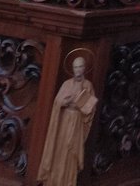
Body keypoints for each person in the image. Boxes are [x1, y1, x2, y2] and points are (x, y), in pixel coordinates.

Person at [37, 51, 98, 186]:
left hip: (76, 122)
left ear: (84, 68)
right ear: (72, 69)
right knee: (60, 150)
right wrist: (65, 102)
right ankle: (54, 181)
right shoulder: (66, 84)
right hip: (63, 122)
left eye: (81, 66)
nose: (78, 70)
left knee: (71, 153)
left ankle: (68, 182)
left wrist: (80, 104)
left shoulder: (88, 85)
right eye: (76, 67)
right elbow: (57, 102)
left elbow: (91, 108)